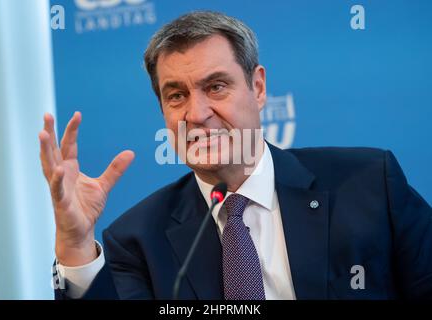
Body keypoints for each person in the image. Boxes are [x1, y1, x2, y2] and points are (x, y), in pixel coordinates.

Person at [39, 11, 432, 300]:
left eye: (216, 86)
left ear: (258, 88)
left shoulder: (368, 184)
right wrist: (75, 244)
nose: (196, 114)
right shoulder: (138, 239)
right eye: (176, 96)